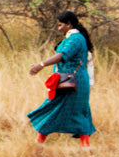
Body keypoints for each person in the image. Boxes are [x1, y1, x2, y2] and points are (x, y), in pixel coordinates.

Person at [28, 10, 96, 148]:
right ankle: (39, 143)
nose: (59, 29)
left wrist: (41, 64)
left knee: (75, 111)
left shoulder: (76, 39)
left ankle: (85, 148)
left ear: (69, 24)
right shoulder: (74, 38)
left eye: (60, 25)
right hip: (70, 81)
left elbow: (62, 55)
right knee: (63, 109)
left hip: (73, 83)